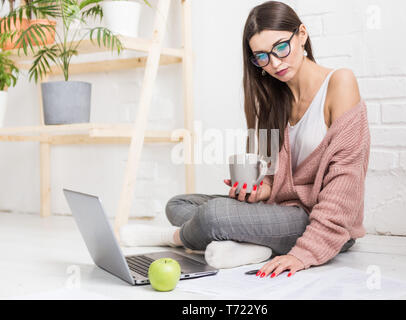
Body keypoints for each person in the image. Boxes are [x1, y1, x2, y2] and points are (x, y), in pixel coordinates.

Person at [120, 1, 370, 278]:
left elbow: (346, 181)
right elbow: (276, 177)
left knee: (214, 216)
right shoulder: (274, 97)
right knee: (179, 204)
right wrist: (262, 188)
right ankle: (254, 247)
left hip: (320, 221)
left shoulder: (340, 83)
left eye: (281, 48)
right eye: (262, 56)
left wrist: (303, 254)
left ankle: (176, 237)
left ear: (302, 34)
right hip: (278, 210)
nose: (274, 63)